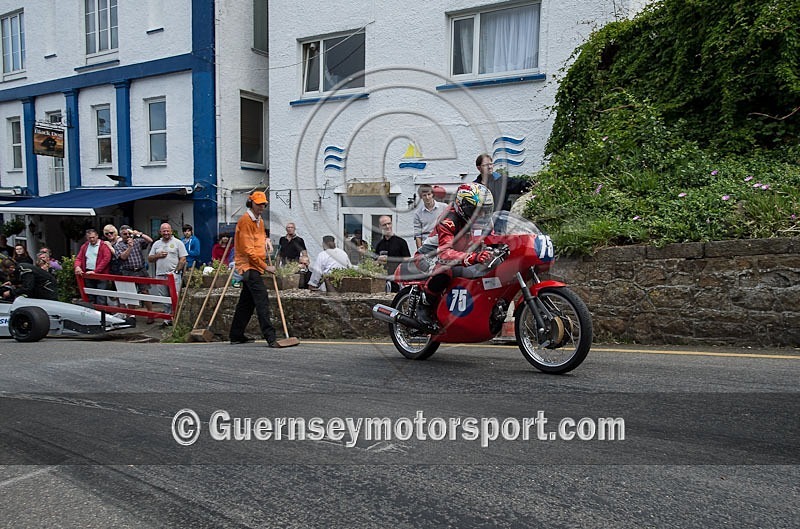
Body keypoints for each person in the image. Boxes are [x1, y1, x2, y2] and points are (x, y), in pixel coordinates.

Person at [415, 183, 495, 329]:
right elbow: (445, 254)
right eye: (476, 210)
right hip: (429, 255)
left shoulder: (483, 220)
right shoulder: (448, 219)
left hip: (459, 252)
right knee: (445, 270)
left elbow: (493, 239)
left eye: (485, 210)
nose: (482, 215)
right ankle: (424, 306)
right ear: (463, 206)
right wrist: (473, 257)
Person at [229, 191, 279, 347]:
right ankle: (270, 337)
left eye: (263, 204)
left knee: (247, 302)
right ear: (251, 203)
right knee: (262, 298)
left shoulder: (260, 221)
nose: (261, 207)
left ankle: (236, 335)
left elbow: (260, 238)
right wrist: (266, 267)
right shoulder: (245, 221)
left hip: (255, 265)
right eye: (258, 204)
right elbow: (248, 250)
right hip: (248, 266)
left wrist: (267, 241)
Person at [148, 223, 187, 324]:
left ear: (171, 231)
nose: (166, 233)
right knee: (164, 298)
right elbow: (150, 259)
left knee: (175, 297)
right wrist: (157, 255)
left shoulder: (178, 243)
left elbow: (183, 259)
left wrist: (177, 271)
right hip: (160, 275)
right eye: (164, 231)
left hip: (173, 275)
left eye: (167, 230)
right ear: (160, 232)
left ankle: (177, 319)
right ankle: (167, 319)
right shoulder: (156, 244)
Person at [115, 225, 155, 321]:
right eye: (125, 234)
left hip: (140, 270)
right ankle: (132, 315)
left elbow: (150, 240)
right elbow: (123, 257)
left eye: (129, 233)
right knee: (130, 294)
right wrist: (129, 247)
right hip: (128, 271)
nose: (128, 235)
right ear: (121, 235)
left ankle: (150, 314)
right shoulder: (118, 245)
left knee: (145, 292)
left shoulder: (137, 241)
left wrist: (139, 234)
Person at [74, 228, 113, 305]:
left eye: (93, 237)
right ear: (87, 238)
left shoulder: (103, 245)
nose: (92, 239)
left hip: (101, 274)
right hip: (88, 272)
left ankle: (101, 314)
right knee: (91, 295)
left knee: (101, 295)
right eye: (89, 238)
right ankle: (92, 313)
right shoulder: (85, 246)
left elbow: (106, 259)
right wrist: (77, 267)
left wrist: (96, 271)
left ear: (97, 236)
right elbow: (79, 258)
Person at [373, 215, 411, 293]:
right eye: (384, 225)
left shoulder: (401, 242)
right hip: (384, 280)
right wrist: (378, 261)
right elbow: (374, 264)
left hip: (398, 280)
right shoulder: (379, 244)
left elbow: (408, 260)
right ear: (380, 227)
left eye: (389, 223)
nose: (387, 226)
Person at [413, 184, 447, 249]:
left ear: (432, 194)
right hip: (427, 245)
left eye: (429, 194)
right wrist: (420, 252)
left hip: (442, 242)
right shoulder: (417, 213)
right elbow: (418, 235)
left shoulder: (444, 207)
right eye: (424, 195)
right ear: (421, 197)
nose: (427, 197)